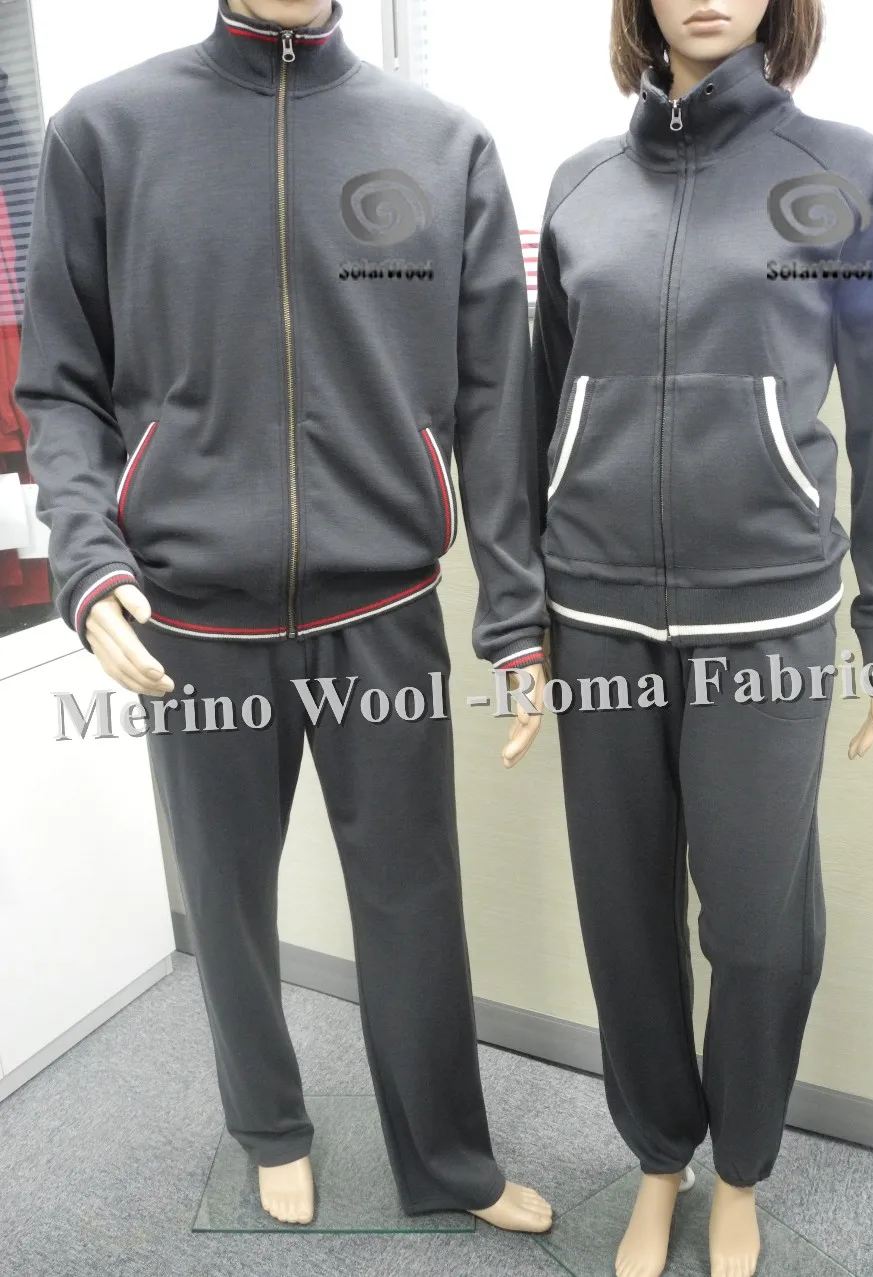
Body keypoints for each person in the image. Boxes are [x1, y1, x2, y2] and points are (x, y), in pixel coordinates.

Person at [16, 0, 552, 1233]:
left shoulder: (440, 142)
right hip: (191, 614)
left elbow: (494, 399)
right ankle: (267, 1123)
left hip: (385, 604)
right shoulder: (106, 131)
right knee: (228, 893)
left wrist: (515, 611)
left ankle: (447, 1156)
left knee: (413, 897)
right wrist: (89, 560)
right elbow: (61, 384)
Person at [531, 1, 873, 1273]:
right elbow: (543, 406)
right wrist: (523, 609)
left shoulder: (844, 173)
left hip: (768, 610)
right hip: (595, 609)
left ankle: (741, 1165)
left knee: (757, 924)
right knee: (622, 912)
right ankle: (658, 1159)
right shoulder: (580, 186)